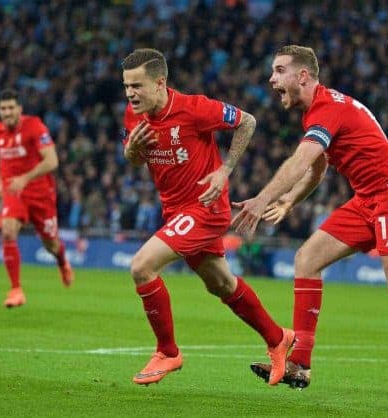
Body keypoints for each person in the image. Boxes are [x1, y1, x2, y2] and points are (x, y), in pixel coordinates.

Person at [231, 45, 388, 409]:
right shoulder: (319, 111)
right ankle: (300, 363)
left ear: (302, 76)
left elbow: (301, 160)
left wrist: (262, 198)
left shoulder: (327, 108)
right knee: (307, 259)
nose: (272, 80)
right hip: (368, 198)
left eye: (279, 70)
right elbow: (316, 168)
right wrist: (289, 201)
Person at [121, 48, 294, 386]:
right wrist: (131, 152)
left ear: (160, 83)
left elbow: (247, 121)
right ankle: (278, 338)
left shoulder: (193, 108)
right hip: (175, 210)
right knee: (221, 284)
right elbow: (134, 159)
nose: (130, 93)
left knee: (141, 267)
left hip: (205, 208)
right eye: (127, 86)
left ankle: (168, 352)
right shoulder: (133, 115)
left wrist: (225, 170)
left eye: (137, 86)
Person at [0, 89, 73, 308]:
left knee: (51, 244)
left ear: (19, 109)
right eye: (3, 108)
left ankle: (62, 262)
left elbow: (52, 161)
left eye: (10, 108)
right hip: (13, 191)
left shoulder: (35, 126)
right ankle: (16, 290)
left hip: (40, 193)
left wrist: (25, 178)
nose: (7, 112)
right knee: (7, 230)